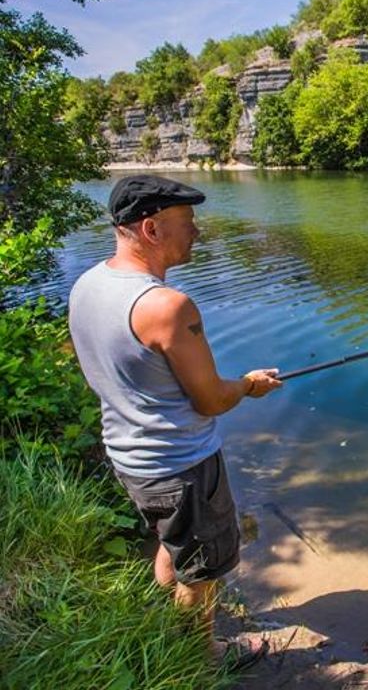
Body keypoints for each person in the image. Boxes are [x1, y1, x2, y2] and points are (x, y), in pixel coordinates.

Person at [68, 174, 282, 667]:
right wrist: (249, 385)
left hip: (127, 456)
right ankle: (197, 655)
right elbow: (210, 400)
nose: (198, 232)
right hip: (179, 465)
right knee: (204, 569)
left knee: (174, 540)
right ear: (151, 229)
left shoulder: (90, 284)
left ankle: (165, 616)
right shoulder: (167, 307)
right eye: (187, 222)